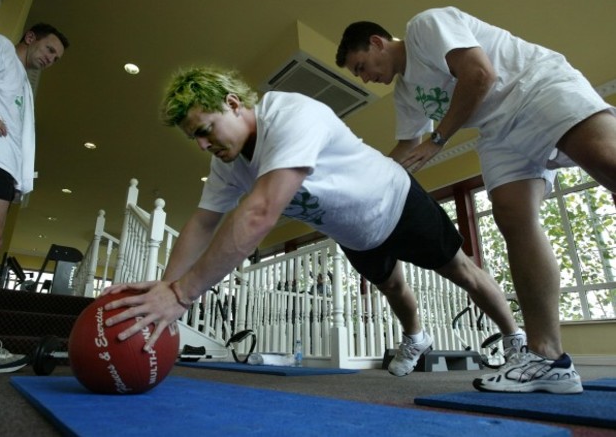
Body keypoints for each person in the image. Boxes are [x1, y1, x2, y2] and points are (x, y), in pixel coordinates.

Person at [103, 66, 524, 382]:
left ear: (233, 103)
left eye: (205, 129)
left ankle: (516, 343)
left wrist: (181, 294)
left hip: (395, 199)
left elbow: (259, 213)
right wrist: (164, 288)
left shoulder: (290, 114)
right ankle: (416, 337)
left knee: (462, 271)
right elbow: (201, 223)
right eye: (193, 138)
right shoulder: (227, 166)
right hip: (355, 233)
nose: (202, 145)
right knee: (393, 286)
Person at [335, 6, 616, 394]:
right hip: (497, 131)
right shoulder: (404, 92)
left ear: (377, 42)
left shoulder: (424, 27)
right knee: (513, 219)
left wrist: (438, 140)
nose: (366, 77)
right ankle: (548, 359)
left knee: (607, 162)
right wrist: (362, 176)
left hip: (534, 87)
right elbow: (406, 147)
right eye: (358, 75)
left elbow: (480, 74)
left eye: (361, 65)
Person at [0, 21, 69, 373]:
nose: (51, 59)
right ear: (30, 37)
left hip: (0, 166)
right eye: (50, 50)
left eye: (57, 58)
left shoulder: (21, 79)